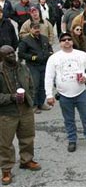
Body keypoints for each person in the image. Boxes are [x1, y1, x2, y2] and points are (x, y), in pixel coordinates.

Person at [45, 32, 86, 152]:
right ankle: (72, 140)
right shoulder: (54, 58)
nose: (66, 41)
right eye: (63, 40)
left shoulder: (81, 55)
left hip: (81, 92)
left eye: (69, 39)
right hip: (64, 94)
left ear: (72, 41)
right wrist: (49, 95)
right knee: (69, 119)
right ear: (60, 43)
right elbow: (49, 77)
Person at [0, 45, 41, 185]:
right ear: (2, 57)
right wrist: (12, 98)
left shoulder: (23, 67)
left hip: (25, 109)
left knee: (28, 137)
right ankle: (6, 169)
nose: (12, 55)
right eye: (8, 54)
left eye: (13, 52)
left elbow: (30, 84)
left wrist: (30, 97)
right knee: (5, 143)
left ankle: (26, 160)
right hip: (6, 113)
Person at [18, 21, 53, 114]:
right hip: (33, 65)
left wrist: (49, 53)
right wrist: (33, 57)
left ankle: (41, 103)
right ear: (30, 29)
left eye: (38, 28)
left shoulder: (44, 38)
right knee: (35, 85)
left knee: (43, 85)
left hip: (44, 65)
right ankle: (34, 105)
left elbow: (50, 48)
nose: (37, 30)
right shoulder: (25, 41)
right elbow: (21, 54)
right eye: (35, 28)